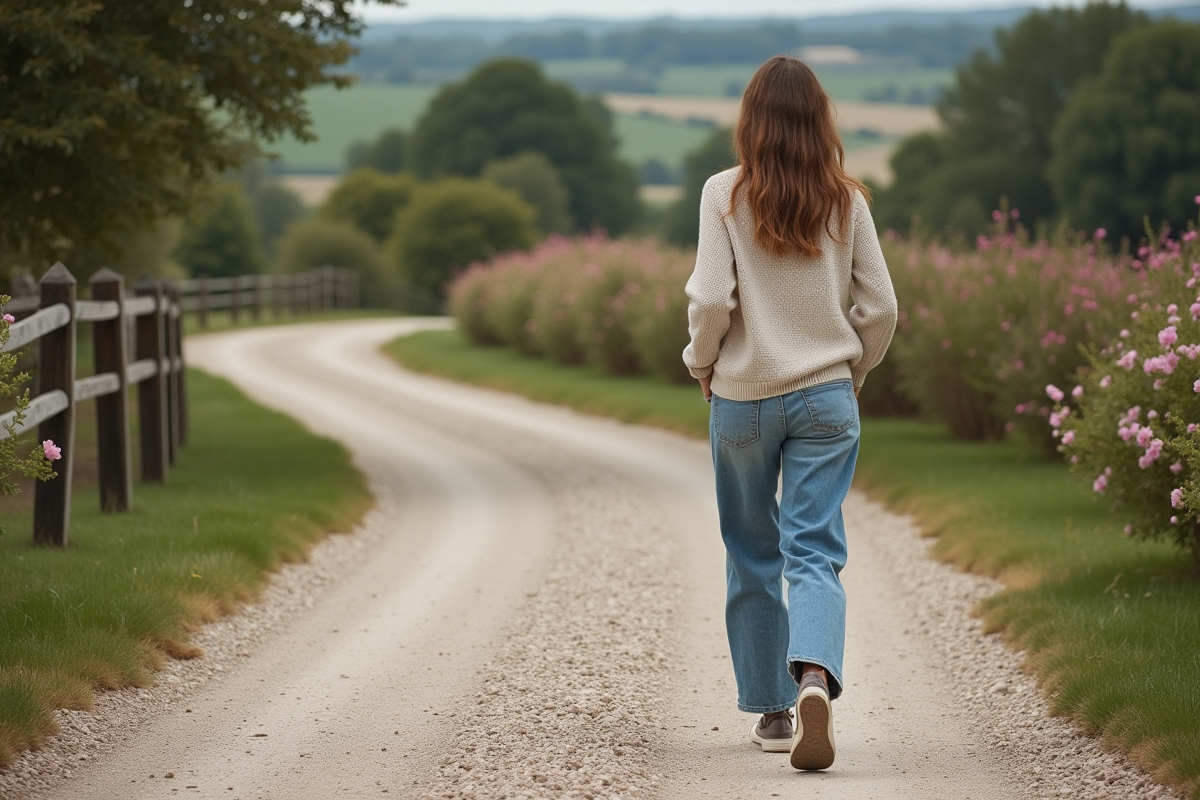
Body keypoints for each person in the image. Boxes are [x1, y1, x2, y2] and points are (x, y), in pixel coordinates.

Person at [681, 55, 897, 771]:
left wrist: (701, 363)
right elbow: (883, 309)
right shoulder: (848, 201)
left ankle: (774, 713)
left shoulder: (723, 193)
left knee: (751, 550)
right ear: (819, 121)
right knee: (814, 550)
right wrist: (855, 369)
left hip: (741, 400)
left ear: (751, 121)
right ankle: (813, 679)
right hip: (827, 396)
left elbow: (712, 300)